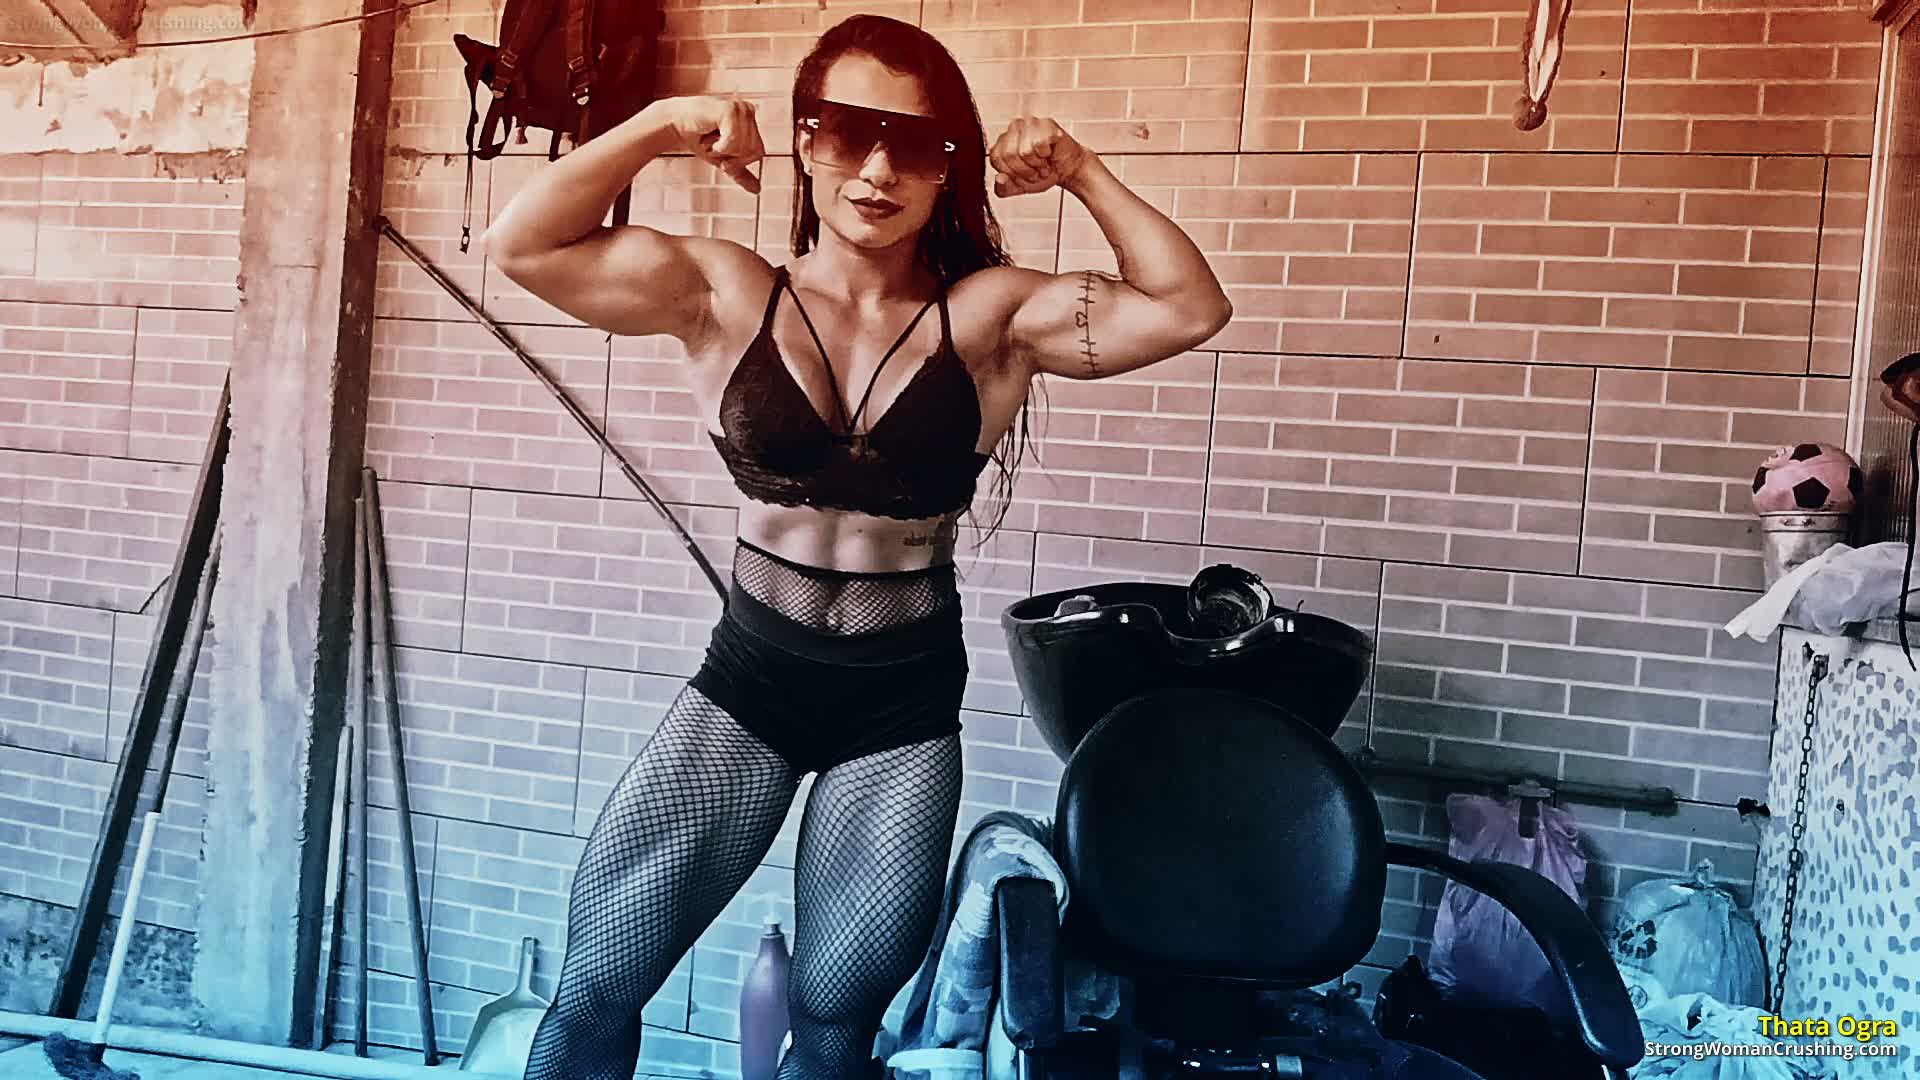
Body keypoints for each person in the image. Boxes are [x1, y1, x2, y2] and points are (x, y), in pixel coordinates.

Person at [484, 14, 1230, 1079]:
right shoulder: (727, 293)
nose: (878, 171)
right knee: (597, 988)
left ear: (948, 168)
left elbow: (1190, 307)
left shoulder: (990, 318)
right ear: (804, 141)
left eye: (914, 144)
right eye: (845, 132)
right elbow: (521, 246)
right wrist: (663, 124)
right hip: (750, 681)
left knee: (836, 1023)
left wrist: (1079, 171)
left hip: (899, 707)